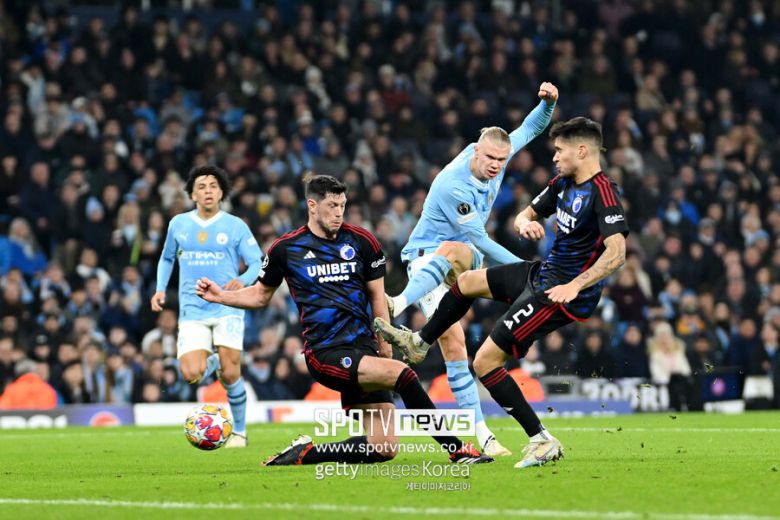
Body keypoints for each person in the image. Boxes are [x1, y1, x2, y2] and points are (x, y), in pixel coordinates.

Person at [376, 117, 629, 468]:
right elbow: (525, 214)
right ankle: (420, 342)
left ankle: (541, 439)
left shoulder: (603, 192)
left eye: (559, 151)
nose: (554, 157)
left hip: (561, 293)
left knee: (484, 362)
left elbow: (617, 254)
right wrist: (526, 223)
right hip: (544, 274)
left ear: (582, 151)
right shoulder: (563, 183)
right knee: (467, 282)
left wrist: (575, 285)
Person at [196, 175, 491, 465]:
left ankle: (304, 454)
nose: (339, 213)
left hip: (365, 349)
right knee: (404, 375)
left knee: (383, 447)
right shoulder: (286, 249)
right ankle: (457, 450)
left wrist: (384, 345)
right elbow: (260, 295)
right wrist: (221, 296)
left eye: (342, 205)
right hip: (326, 352)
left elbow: (378, 298)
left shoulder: (362, 241)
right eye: (332, 206)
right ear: (312, 206)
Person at [383, 82, 559, 457]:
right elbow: (480, 241)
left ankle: (403, 315)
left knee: (457, 255)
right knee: (455, 342)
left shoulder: (499, 154)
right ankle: (484, 437)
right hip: (426, 258)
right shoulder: (453, 185)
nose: (496, 165)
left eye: (501, 159)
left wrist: (548, 103)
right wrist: (526, 270)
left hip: (464, 260)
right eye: (490, 158)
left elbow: (530, 128)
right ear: (475, 151)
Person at [151, 165, 262, 448]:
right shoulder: (178, 224)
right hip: (193, 308)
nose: (208, 191)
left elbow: (257, 262)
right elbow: (167, 258)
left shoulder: (235, 225)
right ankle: (214, 362)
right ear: (192, 194)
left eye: (213, 186)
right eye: (201, 186)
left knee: (231, 374)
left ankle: (239, 432)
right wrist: (160, 289)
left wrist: (242, 281)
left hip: (227, 304)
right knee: (190, 374)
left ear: (222, 192)